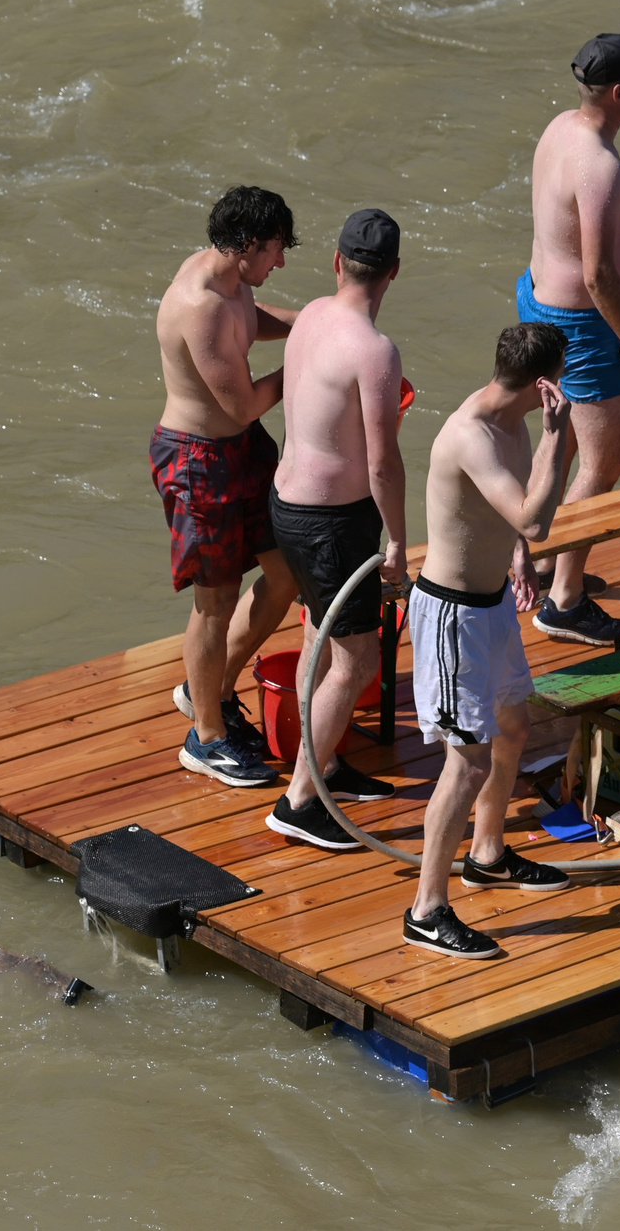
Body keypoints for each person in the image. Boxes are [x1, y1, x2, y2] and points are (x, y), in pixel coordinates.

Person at [399, 324, 581, 962]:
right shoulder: (474, 433)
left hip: (493, 604)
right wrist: (560, 437)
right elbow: (534, 510)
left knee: (512, 727)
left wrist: (519, 555)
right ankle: (426, 910)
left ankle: (488, 854)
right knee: (467, 761)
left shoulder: (513, 421)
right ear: (543, 382)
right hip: (453, 619)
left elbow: (515, 516)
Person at [263, 209, 409, 852]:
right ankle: (299, 800)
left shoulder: (314, 316)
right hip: (332, 524)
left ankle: (323, 766)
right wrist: (399, 542)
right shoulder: (374, 351)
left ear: (336, 261)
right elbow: (383, 461)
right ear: (394, 274)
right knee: (355, 660)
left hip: (286, 503)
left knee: (321, 643)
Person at [153, 186, 306, 789]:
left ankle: (206, 690)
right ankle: (207, 738)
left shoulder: (234, 283)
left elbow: (255, 321)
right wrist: (307, 362)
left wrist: (310, 323)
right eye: (275, 251)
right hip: (198, 460)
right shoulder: (202, 304)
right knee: (214, 601)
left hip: (243, 451)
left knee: (286, 573)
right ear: (245, 247)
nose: (282, 262)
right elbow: (242, 405)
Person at [521, 32, 620, 646]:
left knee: (560, 441)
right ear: (617, 91)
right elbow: (598, 274)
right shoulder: (599, 166)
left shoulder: (561, 127)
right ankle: (564, 602)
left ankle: (540, 555)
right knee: (604, 462)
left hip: (536, 299)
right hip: (582, 324)